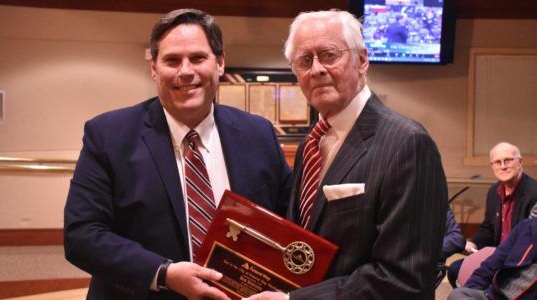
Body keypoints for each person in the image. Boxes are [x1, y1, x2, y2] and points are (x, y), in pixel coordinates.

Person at [64, 9, 291, 300]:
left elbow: (289, 220)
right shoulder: (108, 135)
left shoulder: (258, 134)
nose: (186, 71)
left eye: (198, 58)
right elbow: (82, 235)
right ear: (154, 69)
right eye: (172, 60)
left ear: (220, 63)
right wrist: (164, 273)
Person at [245, 9, 447, 299]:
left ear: (362, 60)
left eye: (329, 55)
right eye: (304, 60)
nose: (316, 69)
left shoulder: (408, 143)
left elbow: (405, 278)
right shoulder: (310, 146)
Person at [447, 142, 537, 288]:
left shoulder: (534, 192)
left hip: (517, 263)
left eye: (507, 160)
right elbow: (488, 227)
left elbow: (529, 241)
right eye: (497, 162)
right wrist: (474, 243)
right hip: (495, 257)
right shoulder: (494, 191)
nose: (502, 166)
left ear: (520, 162)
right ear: (492, 166)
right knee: (454, 269)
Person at [448, 203, 537, 300]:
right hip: (497, 295)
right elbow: (492, 263)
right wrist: (470, 290)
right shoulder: (526, 227)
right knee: (458, 294)